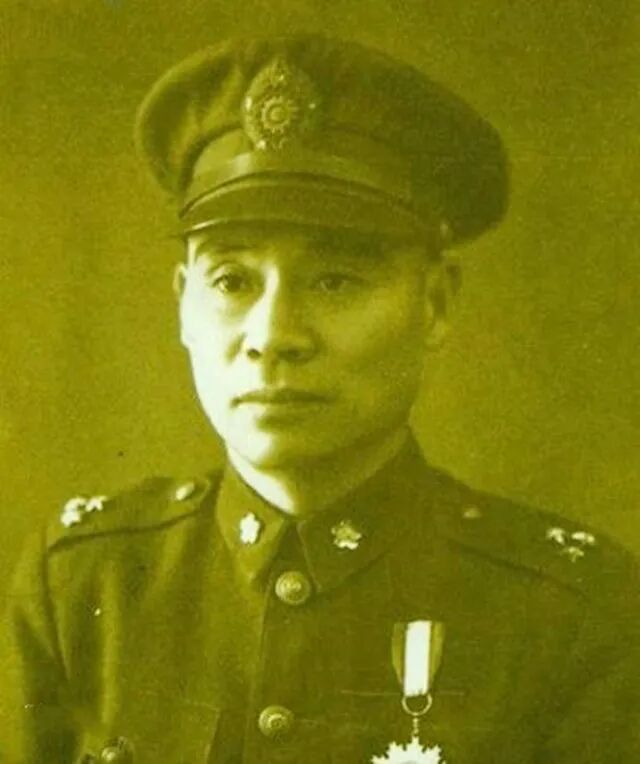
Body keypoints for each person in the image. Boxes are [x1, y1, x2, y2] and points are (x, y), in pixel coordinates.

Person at [1, 34, 638, 764]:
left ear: (435, 301)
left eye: (335, 280)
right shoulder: (83, 590)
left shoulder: (571, 617)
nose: (273, 336)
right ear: (182, 304)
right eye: (233, 281)